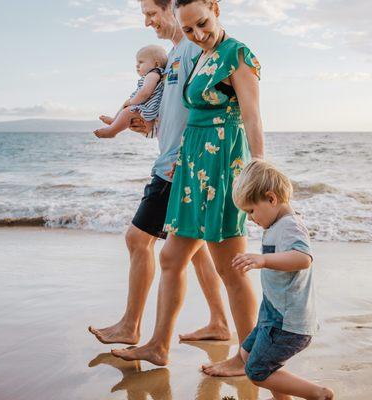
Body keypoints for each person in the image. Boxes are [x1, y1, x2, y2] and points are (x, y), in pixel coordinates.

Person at [111, 0, 264, 377]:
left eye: (202, 24)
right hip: (190, 167)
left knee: (231, 268)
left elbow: (251, 114)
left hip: (220, 167)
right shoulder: (199, 54)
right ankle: (157, 346)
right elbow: (182, 110)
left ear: (215, 8)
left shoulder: (237, 54)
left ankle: (248, 359)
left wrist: (257, 169)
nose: (197, 34)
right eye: (190, 29)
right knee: (171, 257)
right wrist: (147, 125)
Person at [88, 0, 232, 348]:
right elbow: (177, 113)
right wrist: (146, 126)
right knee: (194, 250)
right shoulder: (174, 57)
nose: (148, 22)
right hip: (178, 163)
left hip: (176, 168)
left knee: (138, 240)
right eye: (145, 16)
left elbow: (205, 110)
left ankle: (131, 326)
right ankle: (218, 321)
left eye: (152, 14)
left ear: (171, 8)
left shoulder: (191, 51)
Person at [231, 160, 334, 400]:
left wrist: (263, 261)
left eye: (251, 210)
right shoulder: (278, 223)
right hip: (272, 314)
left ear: (271, 198)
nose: (250, 218)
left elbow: (302, 258)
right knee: (247, 356)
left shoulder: (290, 225)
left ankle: (319, 394)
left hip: (287, 322)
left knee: (257, 371)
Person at [94, 45, 168, 138]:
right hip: (148, 116)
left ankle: (112, 131)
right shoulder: (154, 74)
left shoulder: (153, 74)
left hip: (149, 115)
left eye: (141, 62)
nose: (137, 65)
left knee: (128, 110)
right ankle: (115, 121)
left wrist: (131, 101)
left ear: (156, 64)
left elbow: (145, 93)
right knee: (126, 107)